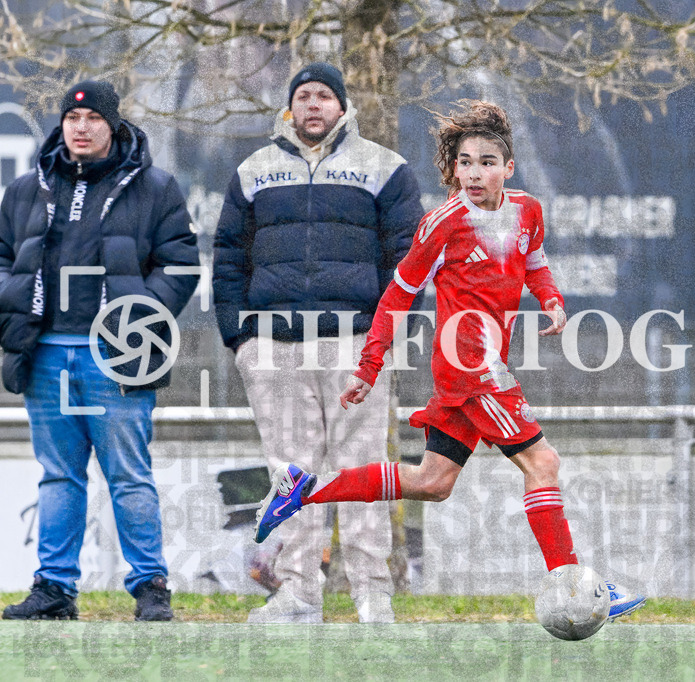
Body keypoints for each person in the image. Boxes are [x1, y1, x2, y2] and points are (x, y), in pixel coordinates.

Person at [251, 99, 646, 621]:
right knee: (543, 462)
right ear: (452, 168)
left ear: (509, 167)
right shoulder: (444, 223)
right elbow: (397, 294)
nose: (474, 172)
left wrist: (550, 298)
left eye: (486, 161)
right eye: (464, 162)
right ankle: (574, 587)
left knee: (432, 483)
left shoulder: (528, 209)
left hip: (480, 368)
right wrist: (369, 366)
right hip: (472, 369)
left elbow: (535, 259)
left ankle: (303, 490)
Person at [213, 62, 423, 623]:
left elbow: (411, 255)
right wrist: (241, 339)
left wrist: (386, 335)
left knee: (360, 470)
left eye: (323, 96)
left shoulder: (384, 167)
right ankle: (299, 593)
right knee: (291, 476)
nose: (312, 105)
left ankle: (372, 595)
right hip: (275, 349)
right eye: (303, 96)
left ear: (343, 106)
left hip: (354, 345)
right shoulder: (254, 170)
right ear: (289, 107)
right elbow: (229, 257)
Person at [0, 80, 199, 621]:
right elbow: (2, 261)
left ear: (113, 125)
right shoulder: (23, 191)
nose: (80, 127)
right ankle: (54, 591)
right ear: (62, 124)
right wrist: (15, 306)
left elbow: (180, 265)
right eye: (71, 118)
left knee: (129, 475)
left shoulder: (155, 187)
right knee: (58, 475)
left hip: (116, 359)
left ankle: (151, 589)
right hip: (44, 355)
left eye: (92, 119)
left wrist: (135, 323)